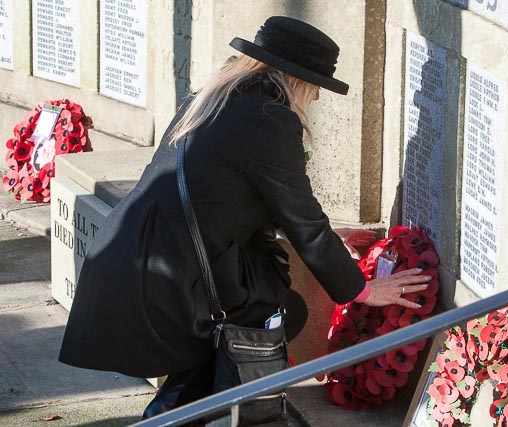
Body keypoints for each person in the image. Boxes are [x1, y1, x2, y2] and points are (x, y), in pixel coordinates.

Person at [58, 16, 431, 419]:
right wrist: (363, 290)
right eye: (316, 87)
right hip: (168, 277)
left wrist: (329, 236)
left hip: (138, 256)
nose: (317, 99)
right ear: (296, 78)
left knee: (235, 334)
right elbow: (304, 221)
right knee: (253, 324)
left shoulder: (215, 98)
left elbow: (226, 195)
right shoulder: (268, 119)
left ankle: (177, 416)